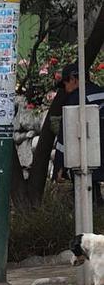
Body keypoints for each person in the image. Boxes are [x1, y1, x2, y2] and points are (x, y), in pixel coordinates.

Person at [52, 64, 104, 201]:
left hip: (88, 158)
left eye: (65, 84)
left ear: (73, 79)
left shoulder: (76, 99)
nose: (65, 90)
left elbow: (66, 137)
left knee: (86, 199)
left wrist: (59, 166)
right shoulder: (101, 92)